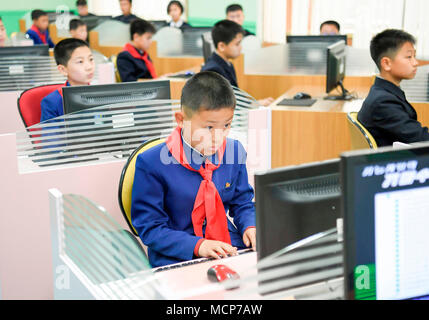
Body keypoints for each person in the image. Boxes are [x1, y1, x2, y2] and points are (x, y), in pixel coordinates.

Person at [131, 71, 256, 267]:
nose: (219, 136)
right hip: (178, 254)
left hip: (228, 246)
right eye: (208, 128)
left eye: (227, 125)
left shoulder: (234, 150)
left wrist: (250, 225)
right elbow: (150, 228)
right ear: (181, 120)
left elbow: (243, 202)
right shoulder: (151, 163)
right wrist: (198, 246)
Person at [357, 29, 429, 147]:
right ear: (386, 63)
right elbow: (420, 139)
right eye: (409, 57)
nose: (415, 62)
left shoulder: (383, 91)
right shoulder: (383, 102)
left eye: (414, 56)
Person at [201, 20, 273, 106]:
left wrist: (255, 103)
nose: (240, 47)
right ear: (222, 46)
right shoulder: (213, 71)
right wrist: (255, 105)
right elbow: (225, 105)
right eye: (237, 44)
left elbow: (235, 97)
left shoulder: (227, 64)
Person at [40, 38, 95, 122]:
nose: (89, 67)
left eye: (91, 59)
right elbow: (51, 134)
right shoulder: (52, 102)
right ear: (63, 70)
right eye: (80, 61)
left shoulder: (100, 94)